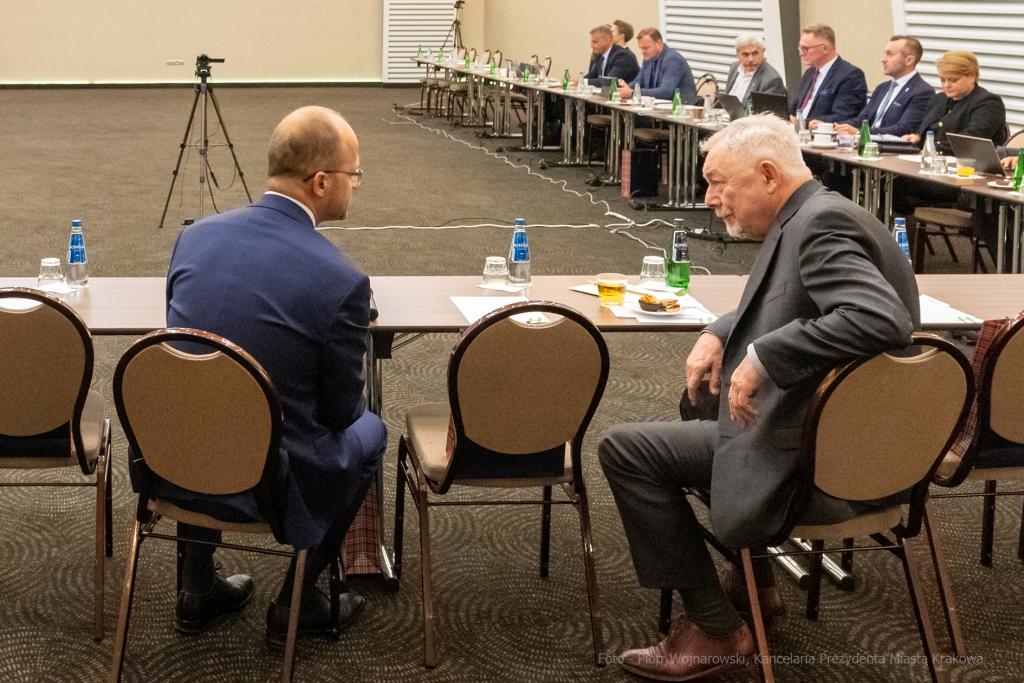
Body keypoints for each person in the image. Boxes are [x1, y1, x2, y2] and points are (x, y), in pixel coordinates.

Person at [599, 114, 919, 682]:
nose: (710, 199)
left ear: (768, 174)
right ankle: (756, 583)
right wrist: (721, 332)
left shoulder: (819, 227)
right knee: (699, 401)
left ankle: (716, 629)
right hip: (868, 448)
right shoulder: (818, 212)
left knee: (628, 451)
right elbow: (789, 297)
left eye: (719, 182)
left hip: (821, 466)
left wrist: (768, 356)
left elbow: (878, 318)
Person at [150, 106, 388, 643]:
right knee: (371, 431)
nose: (356, 185)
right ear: (321, 182)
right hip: (270, 482)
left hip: (176, 459)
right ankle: (298, 602)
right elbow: (339, 414)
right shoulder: (342, 280)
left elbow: (187, 353)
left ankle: (194, 588)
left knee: (202, 396)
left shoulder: (195, 239)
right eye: (355, 175)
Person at [902, 50, 1007, 155]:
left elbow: (970, 141)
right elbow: (925, 131)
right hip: (929, 160)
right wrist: (916, 138)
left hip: (968, 165)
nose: (946, 85)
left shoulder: (988, 102)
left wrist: (929, 148)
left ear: (972, 76)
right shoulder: (938, 99)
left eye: (953, 80)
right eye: (942, 80)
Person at [829, 35, 933, 137]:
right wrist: (831, 127)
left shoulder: (922, 92)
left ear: (909, 60)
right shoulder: (882, 88)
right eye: (885, 54)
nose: (883, 59)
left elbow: (903, 129)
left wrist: (860, 133)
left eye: (890, 54)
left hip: (891, 150)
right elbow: (861, 120)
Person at [788, 24, 867, 124]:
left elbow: (843, 117)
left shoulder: (851, 76)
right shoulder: (810, 73)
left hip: (824, 135)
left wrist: (804, 123)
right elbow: (795, 108)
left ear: (825, 48)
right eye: (800, 48)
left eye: (805, 49)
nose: (801, 53)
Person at [616, 28, 697, 104]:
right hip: (657, 108)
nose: (642, 52)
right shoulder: (648, 58)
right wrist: (624, 88)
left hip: (680, 109)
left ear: (659, 43)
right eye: (641, 48)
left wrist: (633, 92)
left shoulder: (672, 59)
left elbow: (666, 91)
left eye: (646, 48)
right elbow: (638, 82)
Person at [724, 34, 786, 108]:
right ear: (738, 54)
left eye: (755, 53)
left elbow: (766, 114)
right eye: (745, 54)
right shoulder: (734, 67)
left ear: (763, 52)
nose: (751, 59)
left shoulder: (772, 80)